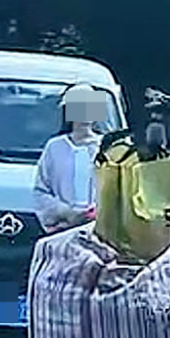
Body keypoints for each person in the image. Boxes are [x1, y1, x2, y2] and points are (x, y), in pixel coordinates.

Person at [32, 83, 107, 233]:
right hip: (61, 230)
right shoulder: (54, 147)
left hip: (99, 230)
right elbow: (41, 191)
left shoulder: (108, 147)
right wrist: (66, 213)